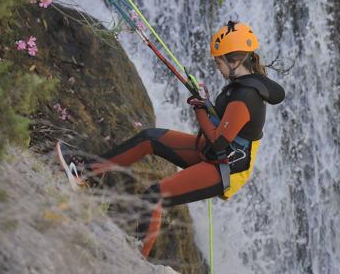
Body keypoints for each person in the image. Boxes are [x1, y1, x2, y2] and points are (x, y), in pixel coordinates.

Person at [57, 20, 285, 258]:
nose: (217, 66)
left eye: (218, 61)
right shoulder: (241, 85)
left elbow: (219, 142)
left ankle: (136, 265)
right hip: (215, 153)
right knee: (150, 138)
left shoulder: (246, 96)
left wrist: (199, 112)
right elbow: (224, 125)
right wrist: (207, 104)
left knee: (154, 196)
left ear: (234, 61)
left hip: (225, 168)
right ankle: (85, 174)